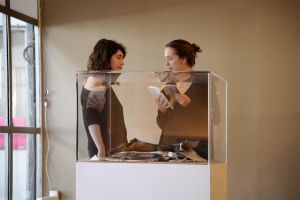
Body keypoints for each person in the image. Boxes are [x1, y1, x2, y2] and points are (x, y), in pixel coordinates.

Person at [156, 39, 208, 159]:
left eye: (170, 58)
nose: (166, 63)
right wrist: (162, 111)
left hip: (195, 150)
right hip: (168, 150)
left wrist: (189, 104)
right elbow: (162, 125)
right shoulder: (169, 86)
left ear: (183, 59)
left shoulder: (203, 83)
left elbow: (214, 119)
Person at [81, 39, 128, 159]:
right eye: (119, 57)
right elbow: (91, 118)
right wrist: (101, 149)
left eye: (122, 58)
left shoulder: (102, 82)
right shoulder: (96, 82)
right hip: (104, 152)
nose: (122, 62)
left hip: (111, 150)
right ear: (106, 57)